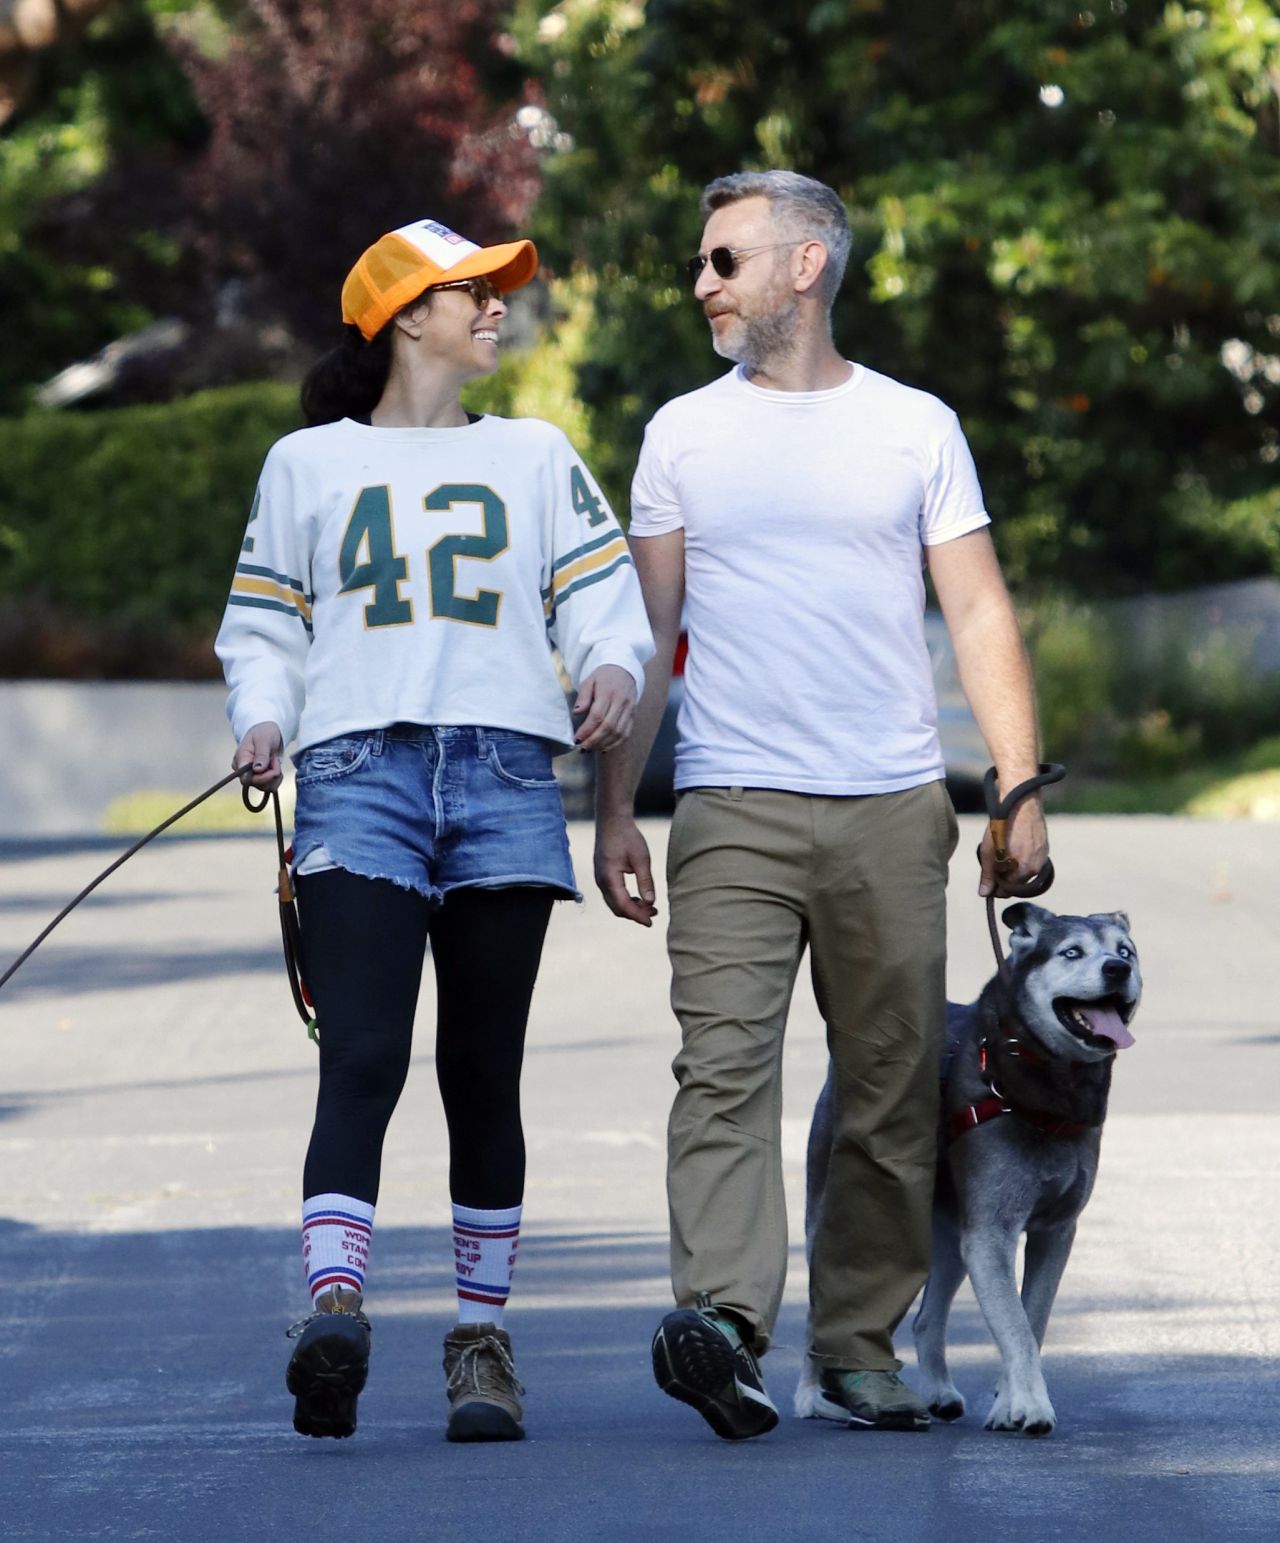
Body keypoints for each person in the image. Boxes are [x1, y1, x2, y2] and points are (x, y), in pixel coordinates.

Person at [594, 171, 1050, 1439]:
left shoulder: (913, 427)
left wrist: (1014, 789)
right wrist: (616, 807)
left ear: (806, 265)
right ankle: (726, 1325)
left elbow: (976, 610)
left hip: (890, 806)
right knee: (721, 1071)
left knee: (891, 1086)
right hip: (731, 804)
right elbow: (648, 627)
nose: (701, 284)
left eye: (723, 260)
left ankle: (855, 1348)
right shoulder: (681, 432)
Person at [216, 217, 654, 1443]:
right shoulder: (305, 465)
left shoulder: (535, 453)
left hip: (509, 772)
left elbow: (603, 603)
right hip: (356, 772)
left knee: (482, 1071)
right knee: (361, 1055)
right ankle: (334, 1316)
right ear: (409, 314)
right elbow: (263, 631)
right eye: (477, 290)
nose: (500, 306)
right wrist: (262, 722)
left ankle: (480, 1343)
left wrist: (612, 670)